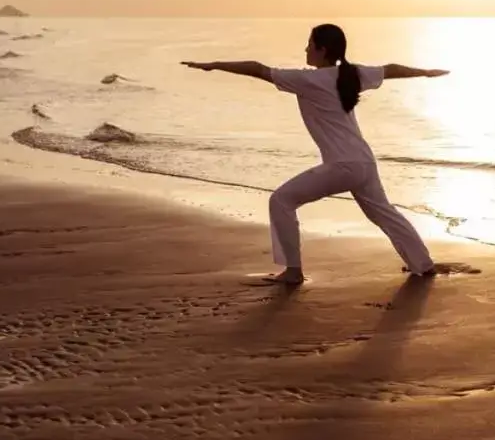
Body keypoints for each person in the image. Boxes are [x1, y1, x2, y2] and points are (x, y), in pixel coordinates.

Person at [182, 23, 449, 285]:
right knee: (385, 214)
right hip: (364, 162)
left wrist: (214, 64)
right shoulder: (352, 74)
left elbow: (257, 68)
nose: (306, 49)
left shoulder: (308, 79)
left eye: (310, 44)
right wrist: (425, 72)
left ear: (322, 50)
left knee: (281, 201)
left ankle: (293, 271)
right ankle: (423, 265)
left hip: (342, 166)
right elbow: (390, 69)